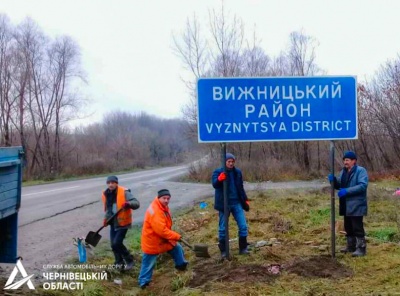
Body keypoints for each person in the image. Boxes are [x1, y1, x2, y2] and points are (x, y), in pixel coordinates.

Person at [138, 189, 188, 289]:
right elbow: (161, 231)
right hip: (152, 241)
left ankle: (181, 265)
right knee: (148, 262)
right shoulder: (156, 210)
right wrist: (176, 236)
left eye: (168, 198)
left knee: (176, 247)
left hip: (162, 240)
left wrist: (173, 237)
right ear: (158, 198)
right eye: (164, 198)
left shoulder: (162, 206)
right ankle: (143, 283)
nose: (166, 200)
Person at [328, 151, 369, 257]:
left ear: (354, 161)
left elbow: (362, 186)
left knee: (357, 227)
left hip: (357, 204)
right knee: (348, 226)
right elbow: (340, 185)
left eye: (347, 160)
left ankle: (361, 248)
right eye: (344, 160)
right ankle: (351, 246)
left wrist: (347, 191)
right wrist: (334, 181)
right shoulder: (344, 172)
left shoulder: (361, 171)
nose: (345, 162)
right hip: (346, 204)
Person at [212, 153, 250, 258]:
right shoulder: (218, 171)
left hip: (236, 203)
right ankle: (224, 251)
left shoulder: (237, 172)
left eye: (232, 161)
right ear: (225, 162)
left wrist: (245, 200)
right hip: (224, 204)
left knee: (243, 226)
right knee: (223, 228)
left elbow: (240, 187)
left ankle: (243, 248)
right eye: (229, 161)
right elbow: (214, 184)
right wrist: (219, 179)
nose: (231, 163)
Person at [102, 175, 140, 270]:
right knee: (113, 245)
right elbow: (108, 209)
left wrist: (128, 204)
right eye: (109, 183)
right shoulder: (106, 194)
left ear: (116, 183)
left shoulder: (124, 192)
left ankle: (129, 260)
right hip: (113, 223)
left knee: (117, 243)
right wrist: (106, 219)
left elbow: (136, 203)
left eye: (113, 183)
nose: (110, 185)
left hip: (123, 223)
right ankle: (119, 262)